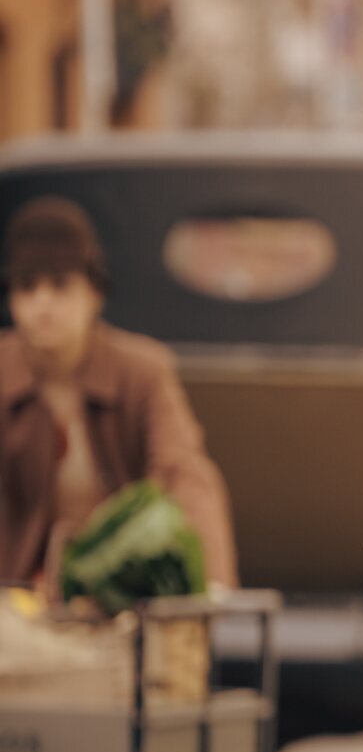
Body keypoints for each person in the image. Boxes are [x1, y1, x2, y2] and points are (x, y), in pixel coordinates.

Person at [1, 197, 236, 596]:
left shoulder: (141, 373)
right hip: (16, 595)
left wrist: (206, 584)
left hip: (122, 591)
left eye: (60, 285)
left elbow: (183, 474)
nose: (42, 303)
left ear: (94, 292)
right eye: (27, 287)